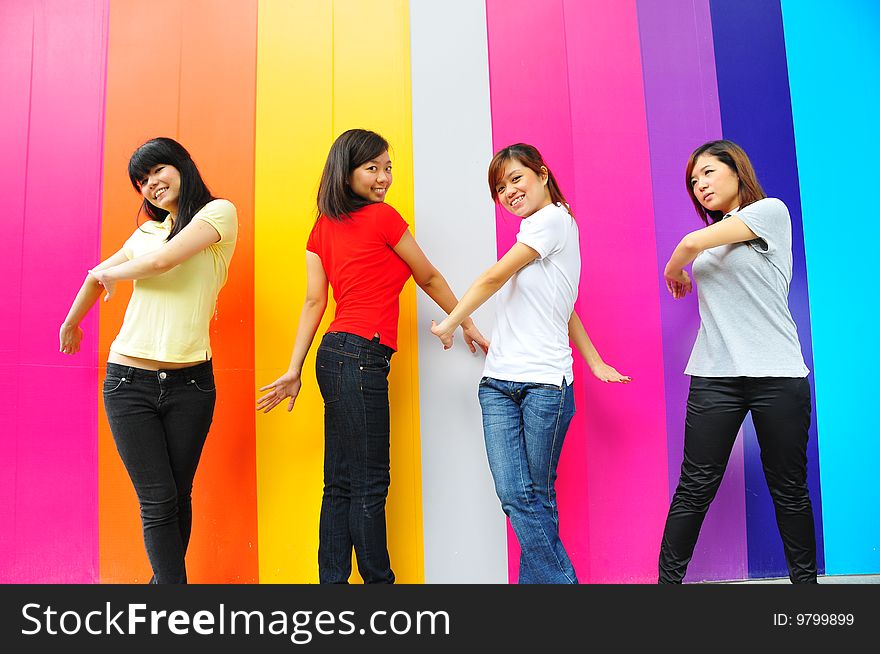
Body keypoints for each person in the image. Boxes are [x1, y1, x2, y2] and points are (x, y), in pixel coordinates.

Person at [257, 128, 488, 584]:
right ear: (347, 173)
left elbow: (313, 304)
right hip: (361, 356)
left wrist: (295, 369)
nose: (384, 178)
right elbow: (428, 275)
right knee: (369, 483)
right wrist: (465, 321)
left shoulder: (321, 228)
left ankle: (333, 585)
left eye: (388, 168)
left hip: (333, 355)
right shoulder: (382, 218)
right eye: (372, 168)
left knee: (340, 482)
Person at [431, 143, 630, 584]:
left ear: (541, 174)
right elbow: (565, 307)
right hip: (499, 382)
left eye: (516, 179)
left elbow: (493, 277)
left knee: (525, 498)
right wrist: (594, 361)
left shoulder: (552, 220)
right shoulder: (543, 233)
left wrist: (451, 323)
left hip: (544, 386)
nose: (508, 192)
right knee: (526, 496)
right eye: (500, 187)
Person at [59, 137, 237, 584]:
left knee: (178, 496)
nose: (151, 184)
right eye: (142, 180)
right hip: (128, 382)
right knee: (158, 500)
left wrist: (110, 274)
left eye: (158, 170)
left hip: (191, 383)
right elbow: (95, 276)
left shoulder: (217, 215)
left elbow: (163, 263)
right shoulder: (144, 233)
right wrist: (72, 322)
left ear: (182, 165)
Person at [658, 139, 816, 583]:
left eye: (708, 172)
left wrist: (674, 269)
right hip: (715, 374)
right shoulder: (712, 246)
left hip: (778, 373)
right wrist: (686, 261)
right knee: (695, 487)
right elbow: (698, 246)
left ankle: (809, 597)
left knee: (789, 490)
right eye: (693, 181)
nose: (700, 185)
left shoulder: (770, 212)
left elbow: (689, 241)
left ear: (736, 169)